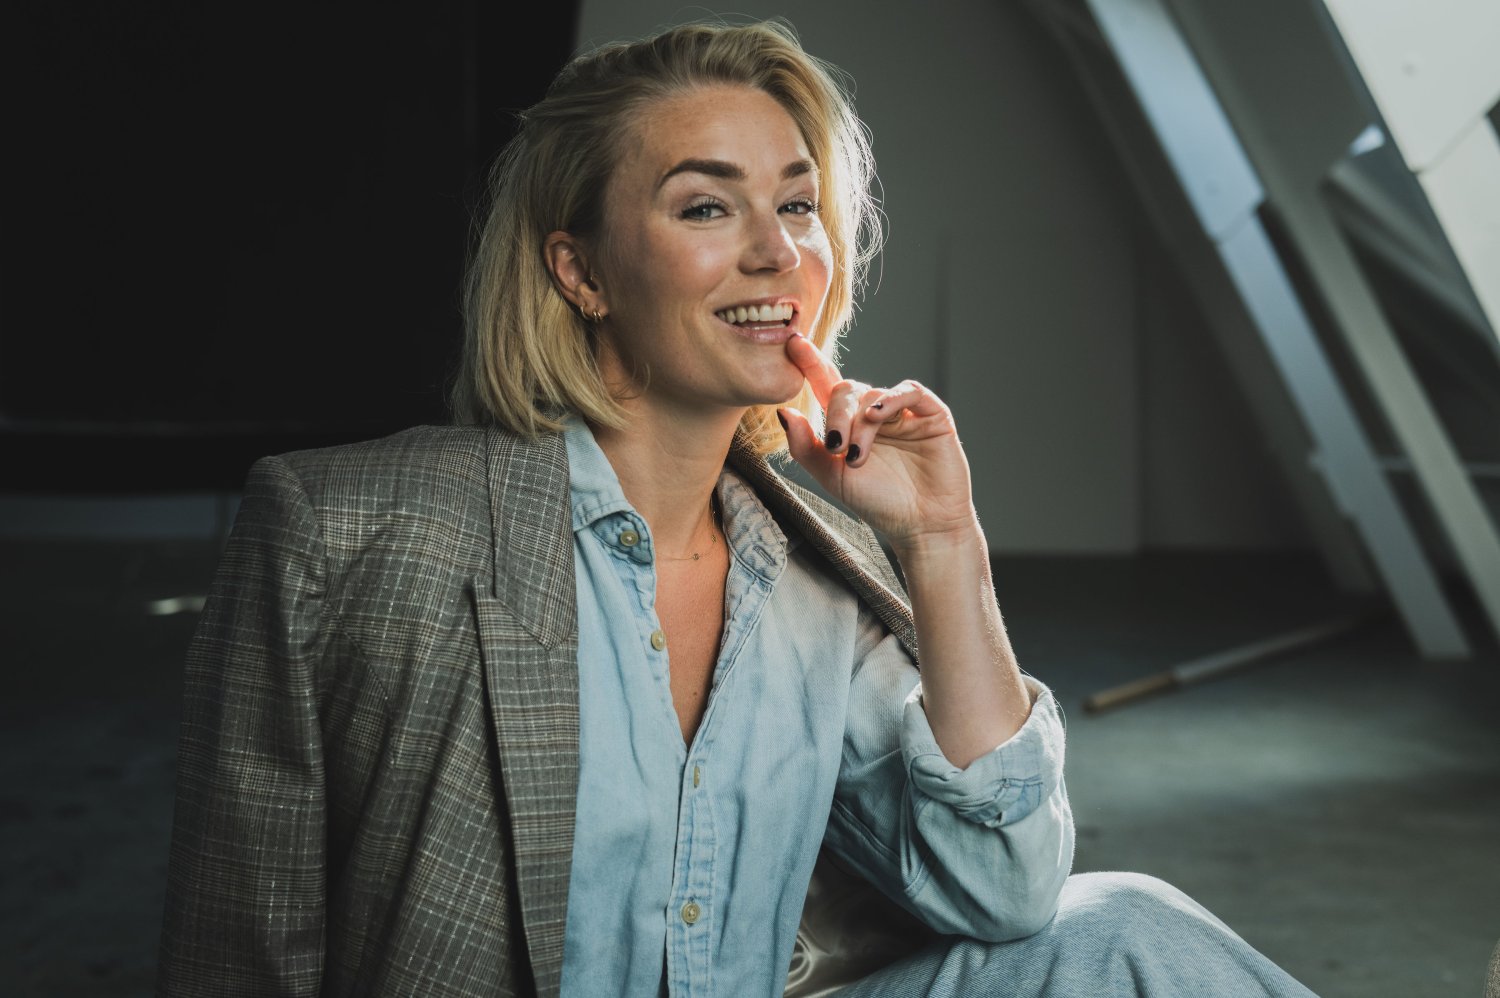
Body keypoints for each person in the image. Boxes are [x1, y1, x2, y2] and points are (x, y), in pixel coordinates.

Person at [157, 19, 1315, 998]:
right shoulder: (344, 528)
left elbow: (1003, 889)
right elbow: (237, 948)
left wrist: (940, 539)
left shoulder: (808, 572)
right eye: (707, 208)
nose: (778, 252)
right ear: (581, 271)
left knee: (1128, 929)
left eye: (799, 204)